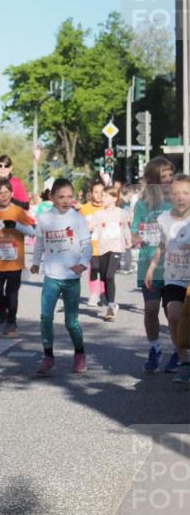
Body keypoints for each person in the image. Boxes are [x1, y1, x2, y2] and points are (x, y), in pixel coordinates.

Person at [31, 178, 92, 376]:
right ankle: (48, 356)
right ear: (52, 197)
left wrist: (83, 264)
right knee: (45, 316)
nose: (66, 201)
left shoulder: (77, 218)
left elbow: (86, 243)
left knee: (71, 322)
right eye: (61, 197)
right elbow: (39, 242)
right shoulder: (45, 218)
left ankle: (80, 353)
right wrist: (35, 262)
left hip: (71, 277)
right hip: (52, 276)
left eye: (69, 197)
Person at [134, 157, 176, 372]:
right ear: (152, 180)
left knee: (173, 312)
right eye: (163, 176)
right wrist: (138, 237)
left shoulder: (179, 200)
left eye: (170, 175)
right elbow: (134, 232)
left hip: (175, 267)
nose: (168, 180)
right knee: (151, 310)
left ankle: (179, 352)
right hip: (148, 266)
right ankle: (155, 347)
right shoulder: (142, 204)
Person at [145, 174, 190, 376]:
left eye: (186, 193)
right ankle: (184, 361)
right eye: (176, 193)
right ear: (170, 195)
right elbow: (161, 246)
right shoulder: (163, 219)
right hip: (174, 277)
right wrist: (152, 268)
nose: (181, 197)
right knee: (173, 316)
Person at [0, 179, 35, 337]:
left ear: (12, 193)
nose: (4, 196)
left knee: (12, 293)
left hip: (14, 261)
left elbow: (31, 232)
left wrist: (16, 226)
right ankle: (2, 305)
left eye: (7, 192)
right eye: (0, 193)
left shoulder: (18, 212)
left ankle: (11, 322)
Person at [88, 187, 132, 322]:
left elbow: (125, 228)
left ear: (114, 198)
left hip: (117, 248)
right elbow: (90, 227)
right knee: (104, 278)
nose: (103, 198)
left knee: (110, 275)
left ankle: (111, 306)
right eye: (102, 195)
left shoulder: (122, 213)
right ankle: (111, 304)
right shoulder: (99, 214)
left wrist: (129, 240)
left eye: (106, 196)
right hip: (102, 249)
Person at [80, 179, 106, 308]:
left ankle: (104, 293)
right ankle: (94, 294)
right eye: (96, 192)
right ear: (91, 193)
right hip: (92, 246)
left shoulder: (108, 207)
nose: (99, 195)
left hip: (108, 246)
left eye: (102, 192)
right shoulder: (85, 209)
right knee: (94, 268)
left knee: (105, 271)